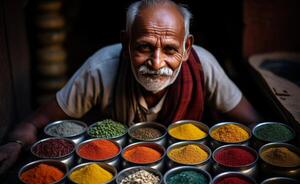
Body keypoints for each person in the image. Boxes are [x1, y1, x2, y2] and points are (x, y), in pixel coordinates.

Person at [0, 0, 261, 174]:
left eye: (170, 49)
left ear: (186, 47)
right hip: (117, 174)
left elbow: (254, 124)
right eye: (144, 46)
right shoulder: (101, 68)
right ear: (126, 43)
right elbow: (37, 121)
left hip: (183, 172)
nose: (157, 63)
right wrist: (14, 141)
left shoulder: (203, 66)